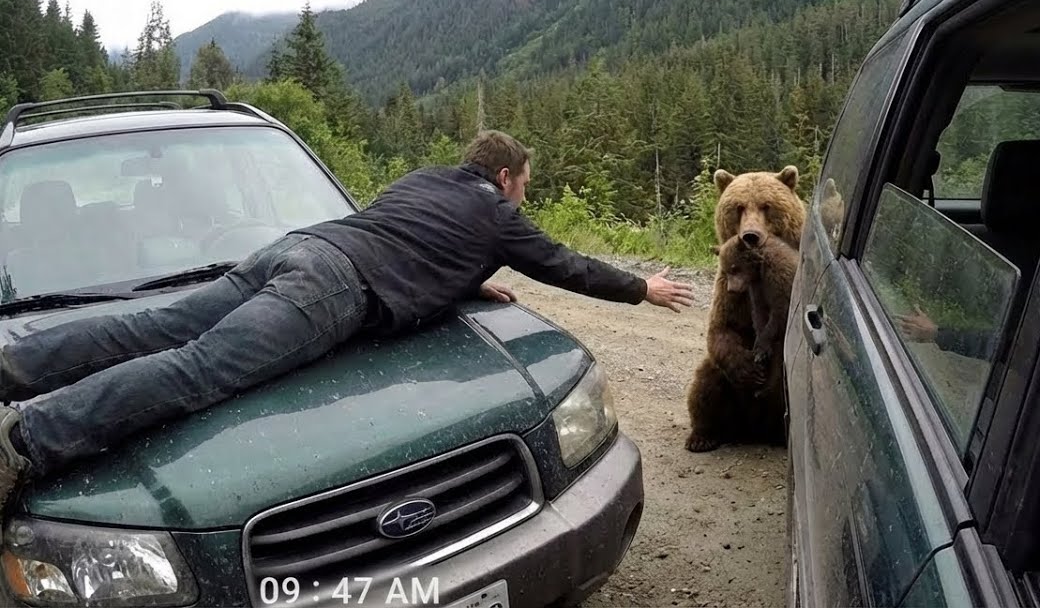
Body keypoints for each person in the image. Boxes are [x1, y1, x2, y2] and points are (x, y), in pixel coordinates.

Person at [0, 129, 694, 513]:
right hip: (329, 289)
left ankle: (14, 369)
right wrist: (643, 288)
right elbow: (563, 265)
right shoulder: (497, 213)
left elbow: (407, 236)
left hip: (294, 248)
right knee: (200, 370)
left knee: (158, 329)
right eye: (525, 184)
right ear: (510, 178)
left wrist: (463, 278)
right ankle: (26, 440)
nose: (523, 195)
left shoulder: (425, 180)